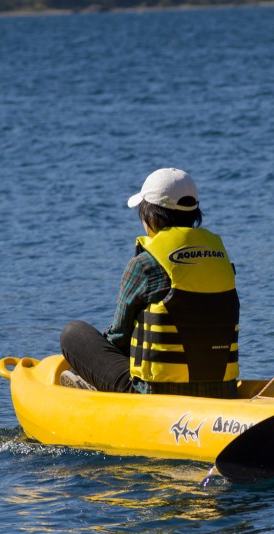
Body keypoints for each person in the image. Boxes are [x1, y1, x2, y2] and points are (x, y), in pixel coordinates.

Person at [60, 168, 240, 398]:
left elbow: (118, 339)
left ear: (152, 216)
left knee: (73, 333)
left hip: (154, 392)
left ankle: (91, 386)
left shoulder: (145, 264)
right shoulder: (222, 260)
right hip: (222, 388)